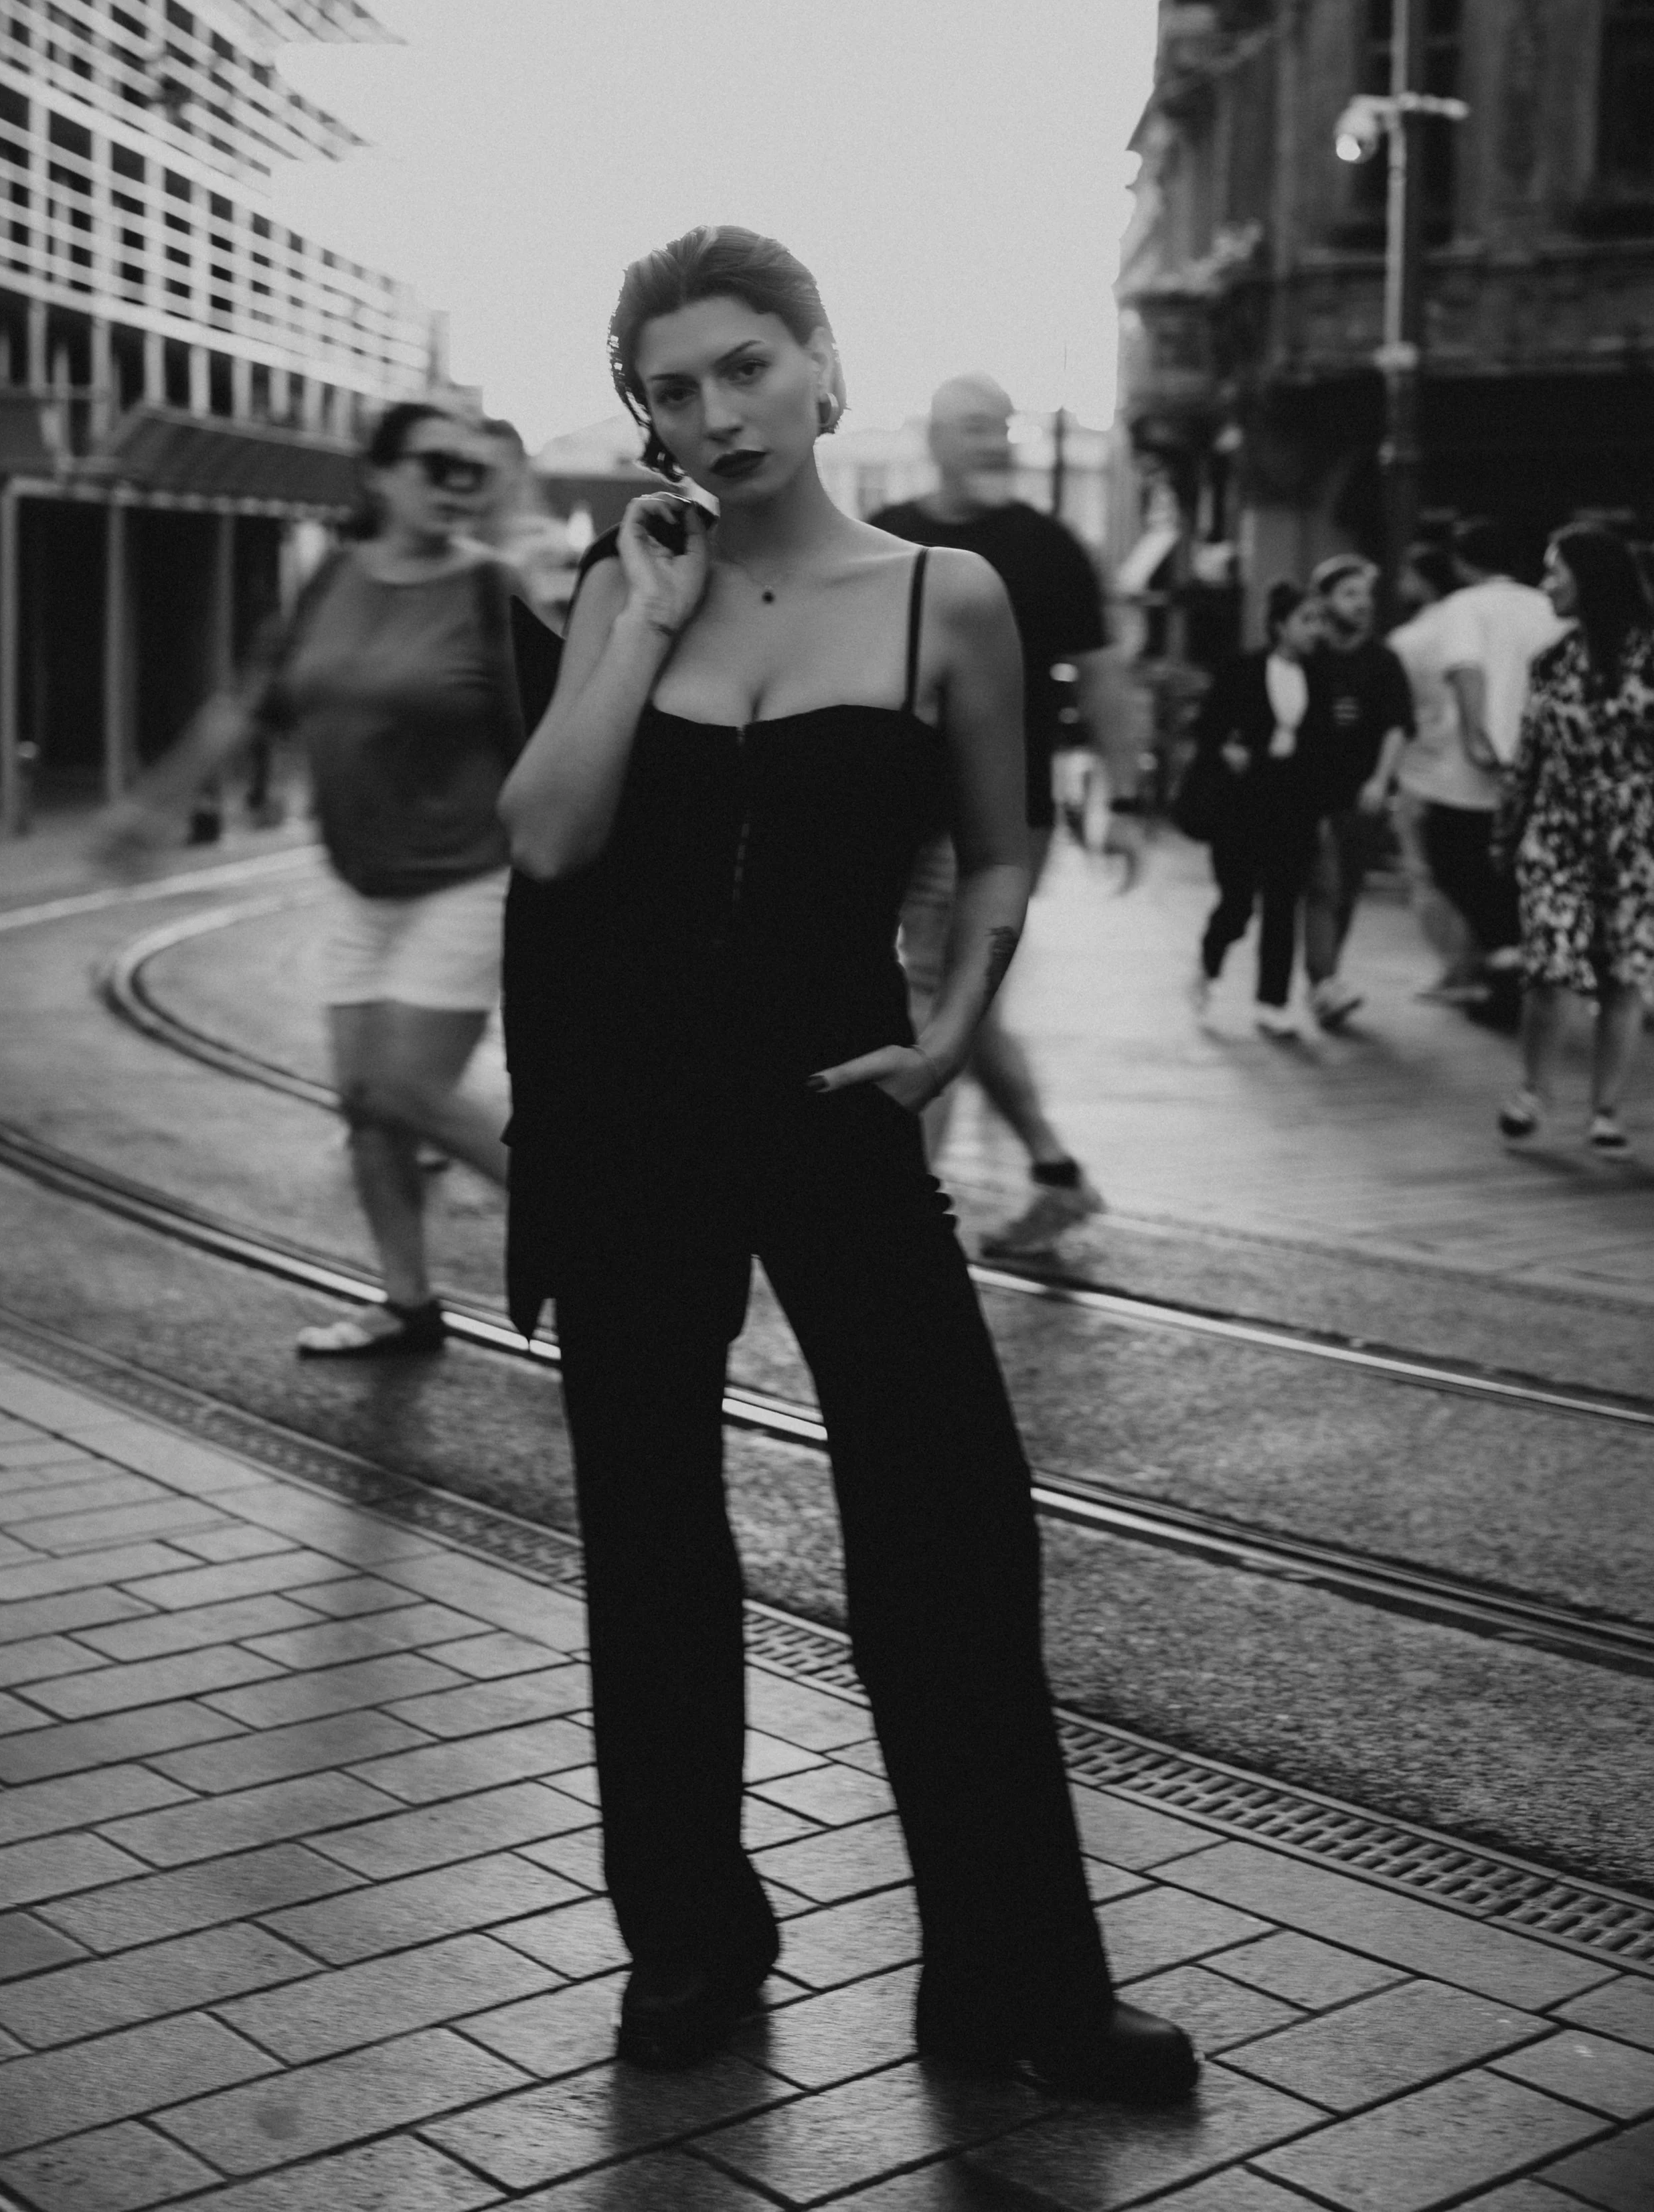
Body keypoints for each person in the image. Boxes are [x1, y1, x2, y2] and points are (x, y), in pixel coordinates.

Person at [498, 226, 1195, 2103]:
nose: (715, 414)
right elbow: (549, 835)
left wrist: (956, 1023)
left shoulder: (942, 597)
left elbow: (1000, 841)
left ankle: (1014, 1973)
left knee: (951, 1520)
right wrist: (642, 622)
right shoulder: (621, 579)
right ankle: (690, 1938)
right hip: (631, 1112)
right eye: (672, 388)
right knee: (652, 1533)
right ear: (645, 414)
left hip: (833, 1097)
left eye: (745, 366)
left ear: (820, 361)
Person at [99, 401, 524, 1357]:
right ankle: (407, 1302)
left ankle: (606, 1230)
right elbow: (248, 701)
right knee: (364, 1105)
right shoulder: (331, 575)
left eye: (472, 468)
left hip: (465, 875)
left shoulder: (490, 589)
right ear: (379, 475)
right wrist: (155, 802)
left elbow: (543, 738)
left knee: (407, 1088)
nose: (459, 482)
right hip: (360, 880)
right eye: (437, 464)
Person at [872, 376, 1145, 1260]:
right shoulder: (888, 538)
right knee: (967, 1004)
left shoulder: (1047, 546)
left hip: (999, 817)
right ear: (933, 437)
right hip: (898, 809)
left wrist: (1125, 798)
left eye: (1001, 426)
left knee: (936, 995)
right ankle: (1056, 1174)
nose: (993, 441)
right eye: (972, 426)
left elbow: (1102, 679)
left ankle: (903, 1223)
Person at [1497, 522, 1654, 1153]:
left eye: (1554, 571)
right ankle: (1532, 1092)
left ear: (1591, 579)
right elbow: (1528, 756)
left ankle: (1605, 1111)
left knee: (1623, 972)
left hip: (1634, 838)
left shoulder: (1648, 657)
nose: (1545, 585)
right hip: (1557, 831)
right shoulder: (1551, 662)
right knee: (1548, 964)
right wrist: (1506, 830)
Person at [1420, 520, 1563, 1027]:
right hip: (1540, 761)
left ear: (1462, 563)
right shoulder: (1547, 606)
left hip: (1473, 770)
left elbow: (1466, 669)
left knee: (1451, 857)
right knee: (1513, 872)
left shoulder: (1464, 606)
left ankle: (1506, 956)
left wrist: (1479, 739)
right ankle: (1508, 968)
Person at [1191, 582, 1332, 1035]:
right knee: (1237, 904)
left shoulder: (1321, 676)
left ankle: (1272, 1002)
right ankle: (1209, 962)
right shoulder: (1242, 670)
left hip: (1295, 804)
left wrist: (1321, 809)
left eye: (1320, 620)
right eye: (1307, 620)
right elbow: (1207, 727)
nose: (1316, 630)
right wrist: (1225, 751)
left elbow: (1325, 748)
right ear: (1280, 625)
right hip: (1243, 801)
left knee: (1283, 905)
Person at [1303, 552, 1413, 1027]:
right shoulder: (1309, 655)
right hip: (1309, 793)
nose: (1362, 604)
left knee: (1346, 890)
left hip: (1361, 795)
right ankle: (1324, 982)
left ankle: (1327, 980)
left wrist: (1380, 780)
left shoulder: (1384, 661)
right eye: (1350, 594)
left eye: (1366, 595)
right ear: (1325, 600)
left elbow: (1397, 726)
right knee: (1323, 886)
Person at [1385, 542, 1482, 998]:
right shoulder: (1471, 628)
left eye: (1407, 575)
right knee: (1475, 873)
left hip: (1423, 769)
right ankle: (1481, 964)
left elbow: (1395, 712)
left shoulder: (1410, 639)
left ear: (1423, 582)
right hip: (1478, 769)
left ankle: (1455, 970)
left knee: (1425, 872)